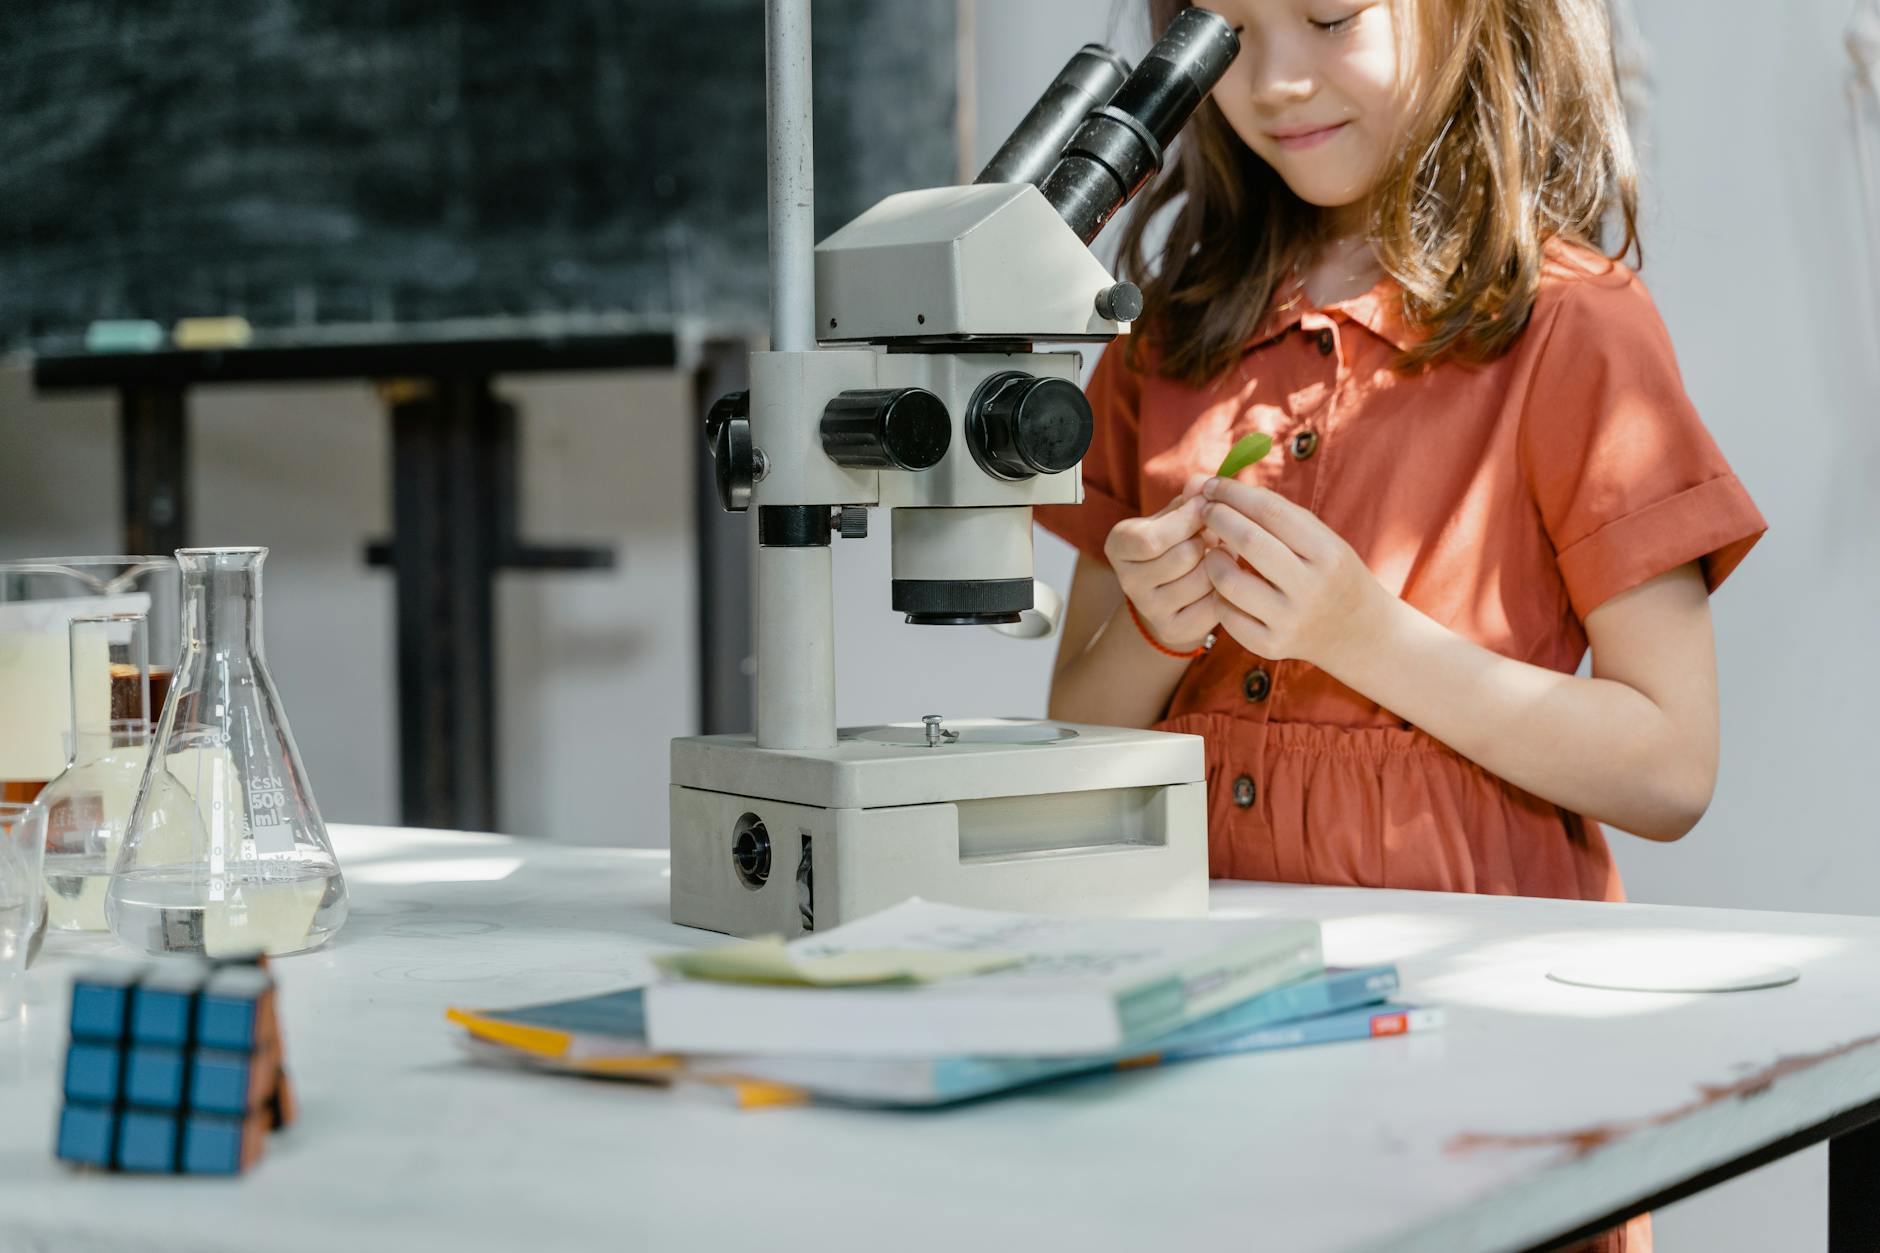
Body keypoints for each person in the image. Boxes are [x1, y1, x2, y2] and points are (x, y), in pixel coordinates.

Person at [1037, 6, 1766, 1247]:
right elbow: (1073, 732)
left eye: (1327, 16)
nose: (1272, 81)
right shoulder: (1162, 341)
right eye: (1227, 31)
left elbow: (1667, 764)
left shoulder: (1571, 328)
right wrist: (1156, 634)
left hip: (1489, 1078)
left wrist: (1365, 637)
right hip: (1212, 1076)